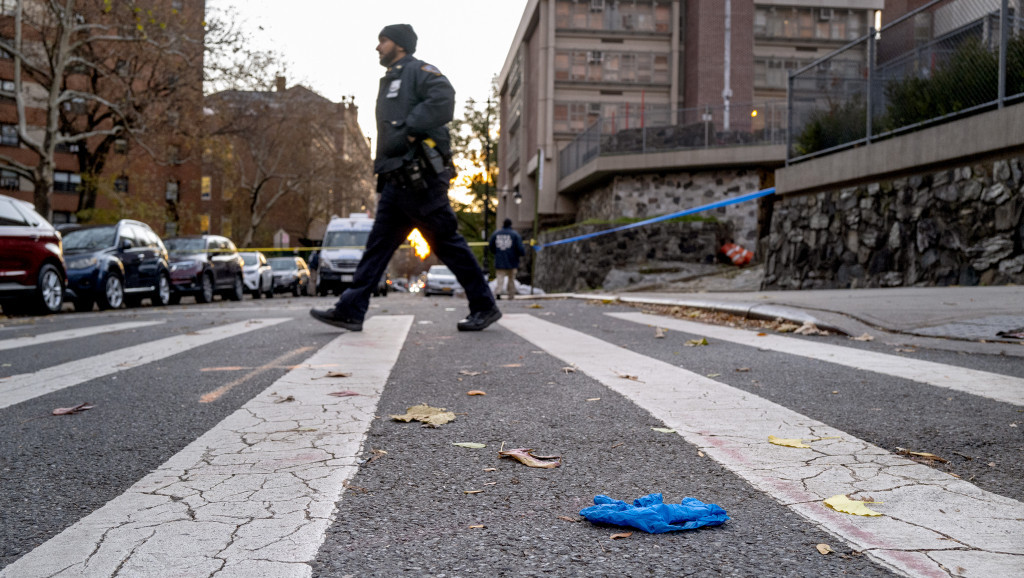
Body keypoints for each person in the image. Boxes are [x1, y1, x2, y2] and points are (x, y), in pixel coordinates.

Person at [310, 24, 500, 332]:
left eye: (382, 41)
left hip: (420, 180)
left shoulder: (418, 71)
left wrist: (411, 129)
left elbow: (443, 97)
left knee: (447, 242)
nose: (377, 48)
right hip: (396, 181)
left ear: (399, 44)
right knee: (378, 248)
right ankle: (350, 309)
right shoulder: (394, 77)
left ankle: (484, 305)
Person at [488, 218, 525, 300]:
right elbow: (520, 248)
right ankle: (511, 294)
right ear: (510, 225)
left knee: (500, 278)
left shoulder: (496, 234)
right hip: (512, 260)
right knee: (511, 278)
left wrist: (496, 253)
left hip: (500, 260)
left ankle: (498, 292)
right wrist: (521, 254)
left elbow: (491, 246)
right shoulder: (514, 234)